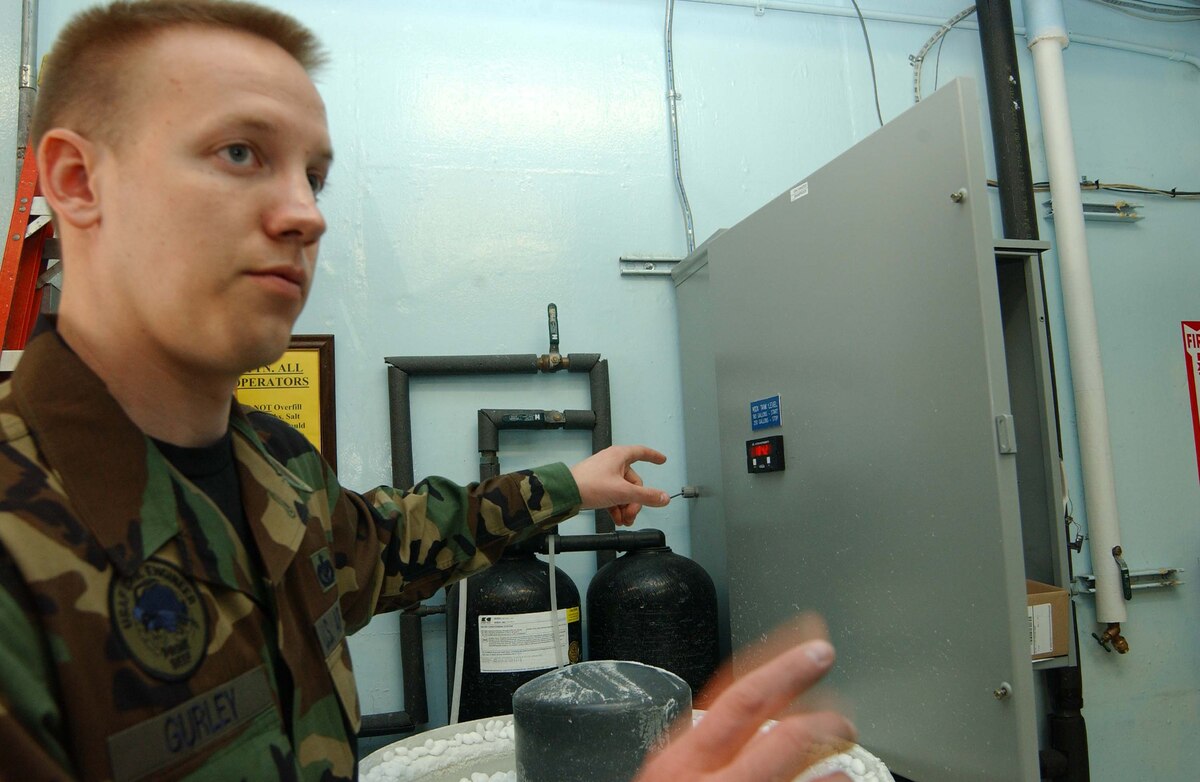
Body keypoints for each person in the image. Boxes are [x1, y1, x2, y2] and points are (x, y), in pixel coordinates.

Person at [0, 2, 854, 780]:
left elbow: (392, 543)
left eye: (315, 175)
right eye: (240, 153)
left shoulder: (276, 466)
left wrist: (570, 485)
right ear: (78, 181)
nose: (307, 213)